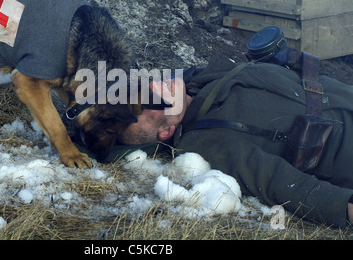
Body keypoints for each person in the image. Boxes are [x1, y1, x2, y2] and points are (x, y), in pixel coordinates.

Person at [118, 52, 353, 229]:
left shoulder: (202, 79)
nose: (152, 87)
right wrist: (342, 207)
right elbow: (273, 179)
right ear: (166, 131)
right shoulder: (202, 141)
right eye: (148, 102)